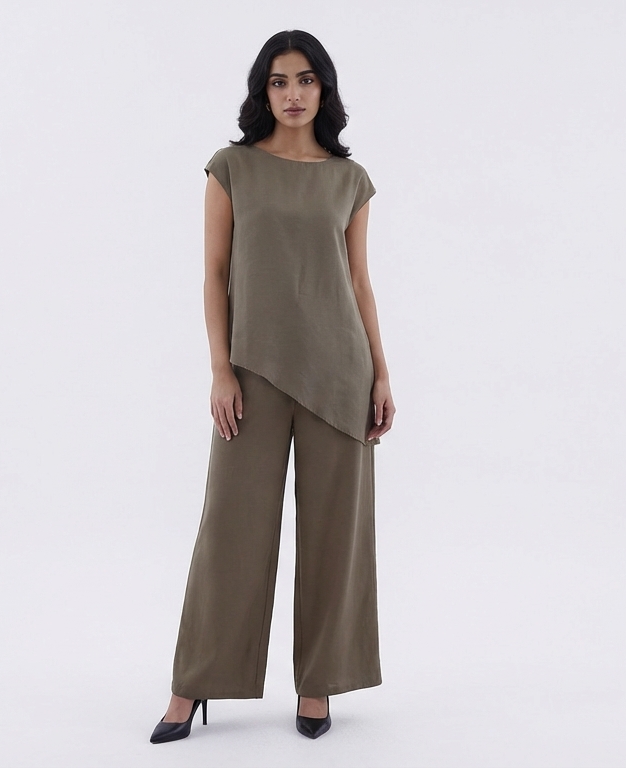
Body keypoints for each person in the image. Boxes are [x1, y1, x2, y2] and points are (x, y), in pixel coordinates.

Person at [150, 29, 395, 744]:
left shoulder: (349, 180)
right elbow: (213, 272)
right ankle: (191, 684)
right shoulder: (231, 168)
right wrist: (220, 369)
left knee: (335, 536)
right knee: (230, 530)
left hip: (340, 371)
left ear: (325, 90)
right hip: (253, 372)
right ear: (263, 91)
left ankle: (319, 682)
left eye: (306, 80)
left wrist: (382, 371)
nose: (293, 94)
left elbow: (359, 282)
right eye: (280, 81)